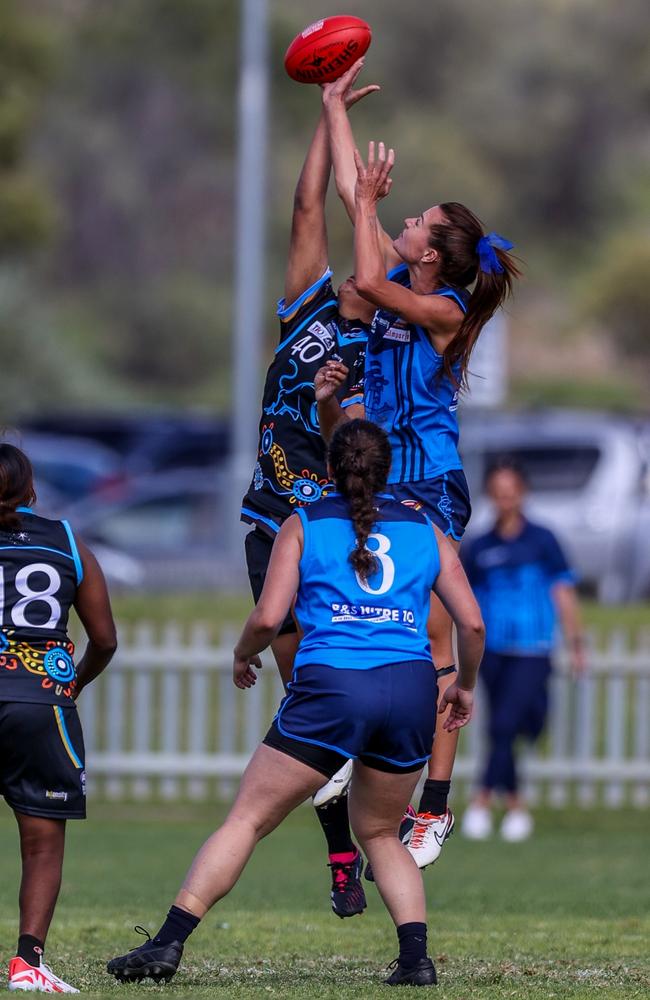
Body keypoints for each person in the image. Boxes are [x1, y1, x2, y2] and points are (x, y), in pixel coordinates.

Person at [107, 419, 484, 989]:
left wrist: (242, 653)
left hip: (334, 684)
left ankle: (167, 943)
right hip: (411, 687)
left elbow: (267, 617)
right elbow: (472, 622)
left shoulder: (303, 522)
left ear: (329, 470)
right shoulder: (427, 528)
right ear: (388, 472)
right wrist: (465, 686)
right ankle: (415, 960)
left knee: (249, 818)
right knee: (381, 833)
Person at [315, 60, 520, 868]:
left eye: (418, 222)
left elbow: (362, 264)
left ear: (433, 258)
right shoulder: (403, 276)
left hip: (428, 479)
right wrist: (331, 103)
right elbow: (348, 197)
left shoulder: (441, 308)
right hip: (381, 471)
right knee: (370, 624)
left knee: (435, 636)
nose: (404, 221)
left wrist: (367, 205)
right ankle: (356, 761)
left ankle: (432, 808)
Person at [239, 84, 382, 917]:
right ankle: (340, 853)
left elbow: (353, 439)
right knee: (304, 696)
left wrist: (335, 405)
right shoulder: (309, 307)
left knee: (328, 690)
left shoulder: (380, 342)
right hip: (269, 519)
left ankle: (369, 832)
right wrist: (326, 111)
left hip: (330, 531)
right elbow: (305, 206)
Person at [0, 443, 117, 993]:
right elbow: (104, 639)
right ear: (32, 492)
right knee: (41, 841)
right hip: (40, 704)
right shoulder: (67, 540)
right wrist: (66, 684)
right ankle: (28, 963)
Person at [460, 458, 585, 841]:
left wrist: (576, 641)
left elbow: (563, 592)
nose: (504, 500)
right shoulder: (479, 547)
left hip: (533, 648)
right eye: (497, 493)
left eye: (510, 492)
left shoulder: (543, 541)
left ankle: (483, 800)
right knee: (502, 728)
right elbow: (464, 604)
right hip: (493, 650)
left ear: (523, 494)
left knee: (518, 724)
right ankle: (510, 805)